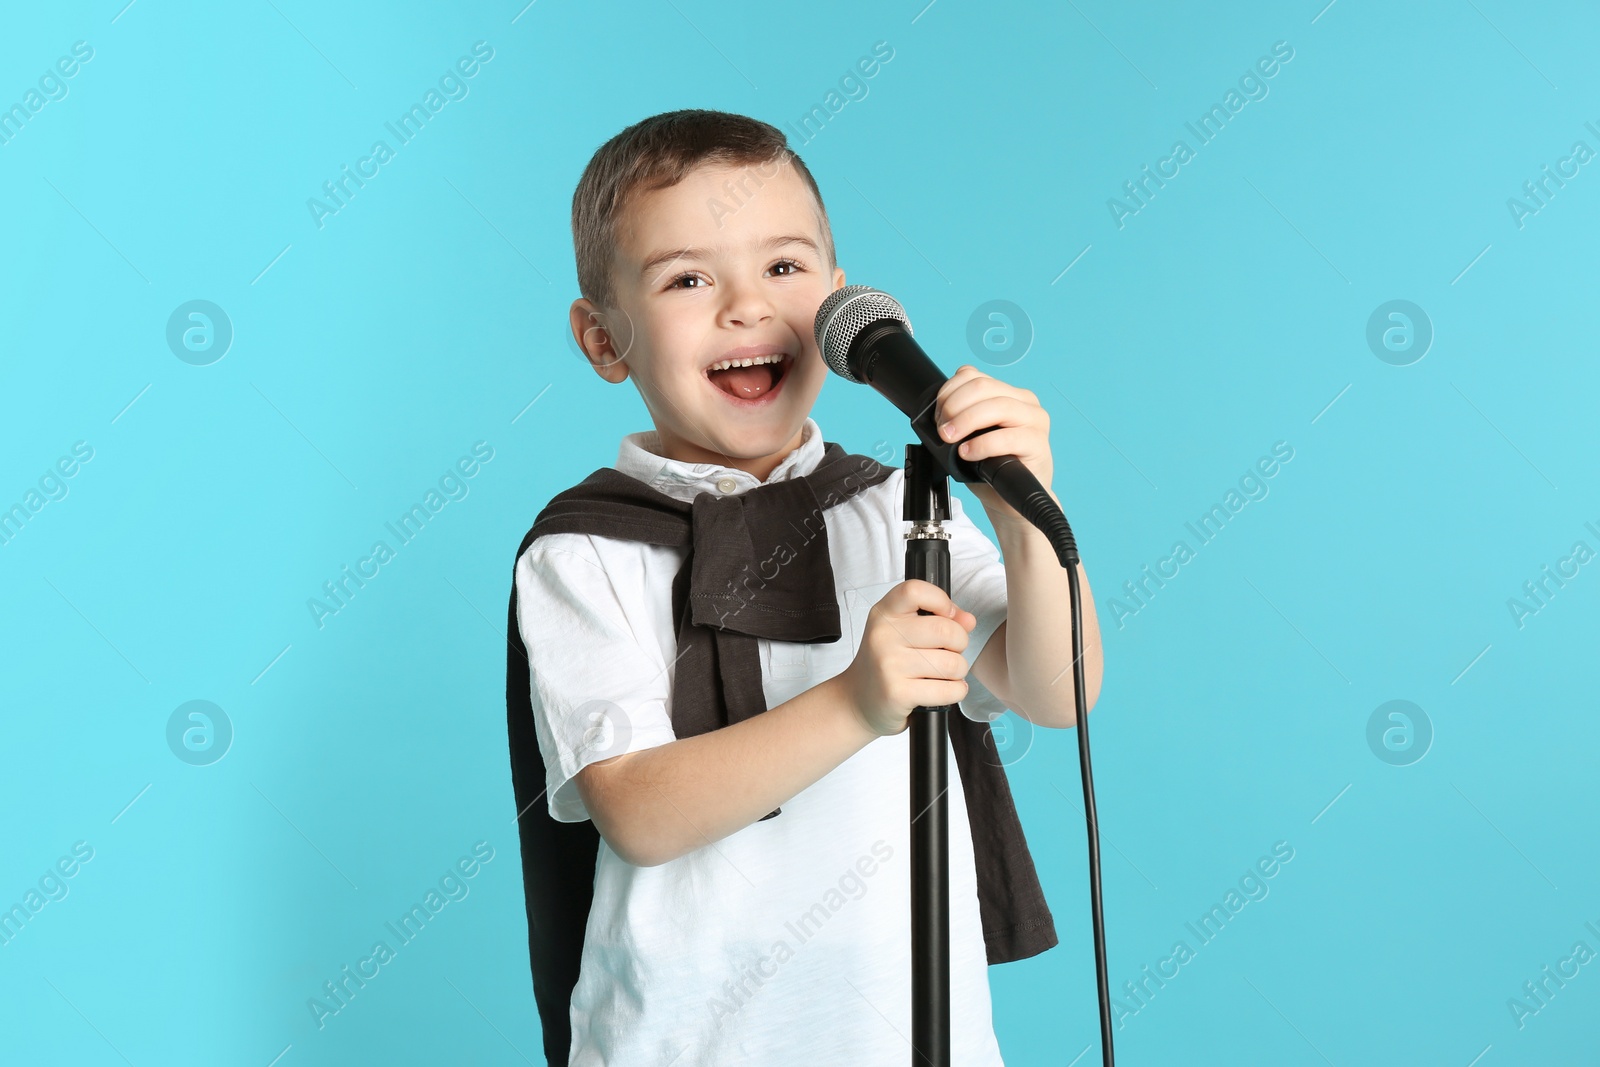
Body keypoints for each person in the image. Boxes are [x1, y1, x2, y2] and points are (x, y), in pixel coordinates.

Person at [508, 108, 1104, 1065]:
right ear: (603, 340)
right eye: (688, 278)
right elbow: (638, 810)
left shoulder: (895, 508)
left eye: (784, 268)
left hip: (913, 1036)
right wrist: (857, 701)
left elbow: (1058, 687)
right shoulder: (588, 552)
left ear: (841, 303)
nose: (746, 305)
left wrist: (1021, 509)